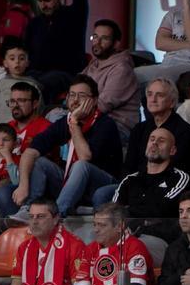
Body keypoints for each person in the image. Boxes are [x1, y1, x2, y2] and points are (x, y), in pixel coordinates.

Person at [11, 75, 123, 218]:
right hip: (72, 183)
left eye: (81, 96)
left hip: (101, 184)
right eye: (72, 95)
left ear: (94, 100)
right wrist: (23, 186)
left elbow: (85, 157)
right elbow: (30, 151)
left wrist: (75, 123)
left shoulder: (105, 124)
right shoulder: (66, 121)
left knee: (81, 165)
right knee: (39, 162)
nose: (75, 100)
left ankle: (57, 215)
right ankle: (28, 209)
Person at [0, 199, 84, 285]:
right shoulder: (24, 247)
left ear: (55, 219)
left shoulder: (74, 245)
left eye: (40, 217)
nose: (34, 222)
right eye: (31, 217)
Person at [66, 203, 154, 285]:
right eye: (94, 224)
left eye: (102, 225)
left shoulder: (135, 247)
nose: (95, 230)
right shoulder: (90, 249)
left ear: (119, 226)